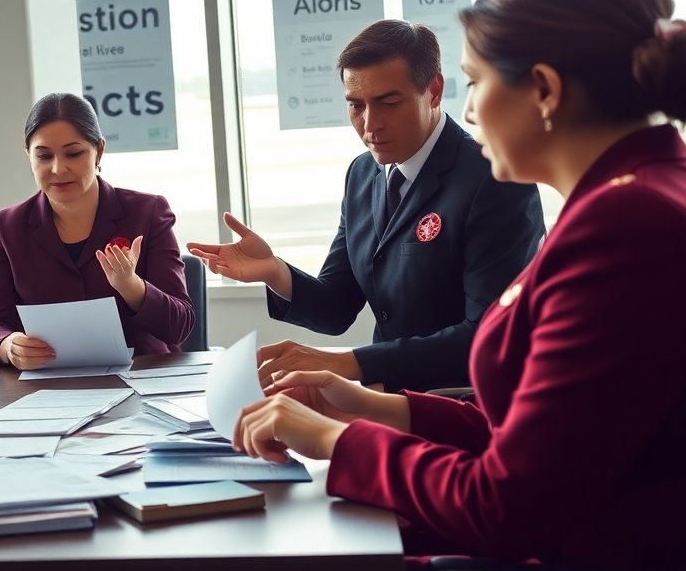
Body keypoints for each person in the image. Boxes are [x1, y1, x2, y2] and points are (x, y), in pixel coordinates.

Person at [201, 0, 686, 571]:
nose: (469, 108)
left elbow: (504, 503)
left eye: (474, 81)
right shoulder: (635, 196)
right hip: (555, 543)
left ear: (543, 90)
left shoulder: (625, 227)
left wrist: (336, 440)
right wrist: (365, 405)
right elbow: (529, 432)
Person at [189, 20, 544, 393]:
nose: (370, 125)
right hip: (388, 397)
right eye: (356, 106)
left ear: (434, 91)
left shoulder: (495, 179)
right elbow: (337, 307)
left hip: (470, 401)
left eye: (388, 103)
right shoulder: (363, 174)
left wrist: (348, 363)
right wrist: (275, 271)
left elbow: (488, 335)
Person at [0, 92, 194, 369]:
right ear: (29, 158)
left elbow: (179, 325)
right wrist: (9, 346)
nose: (58, 168)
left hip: (141, 377)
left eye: (74, 153)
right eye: (44, 156)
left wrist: (131, 287)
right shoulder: (7, 226)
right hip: (49, 386)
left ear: (99, 151)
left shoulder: (147, 212)